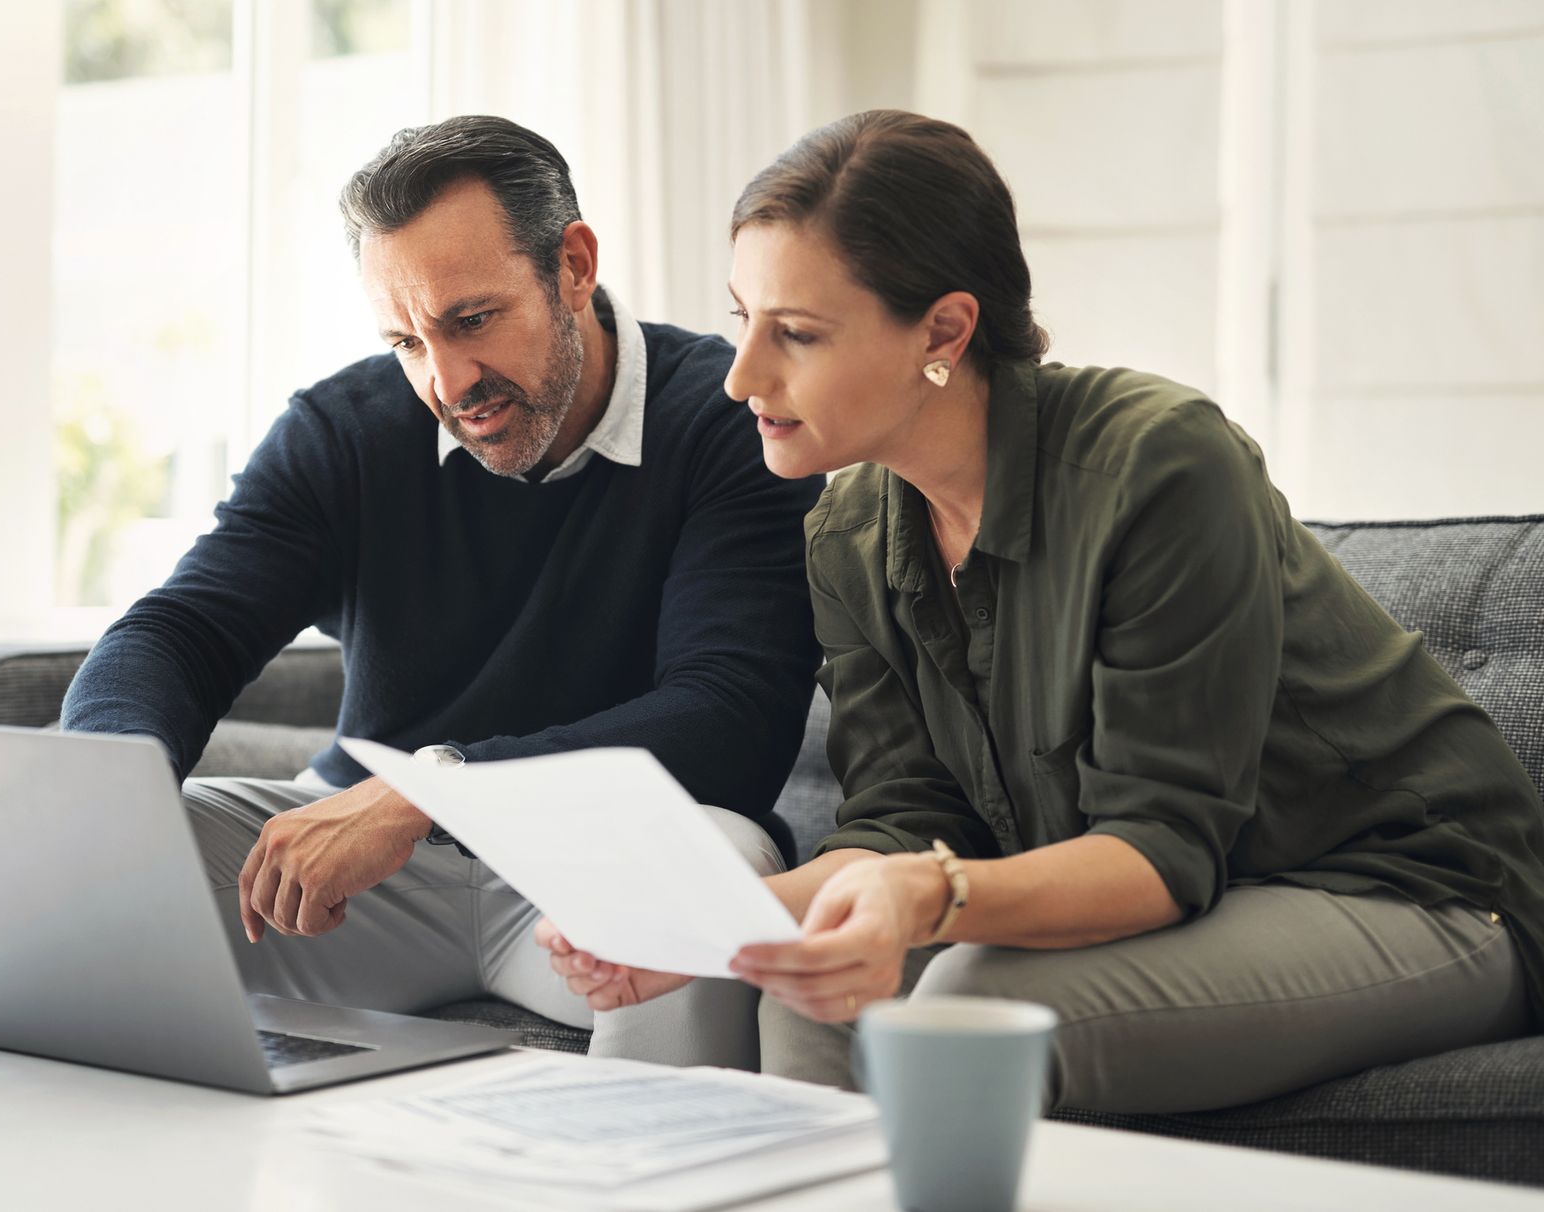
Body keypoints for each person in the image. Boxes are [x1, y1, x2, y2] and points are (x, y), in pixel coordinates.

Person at [540, 109, 1544, 1110]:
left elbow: (1161, 847)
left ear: (944, 329)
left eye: (796, 333)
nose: (741, 376)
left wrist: (932, 897)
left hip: (1416, 891)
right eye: (741, 320)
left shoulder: (1158, 463)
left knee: (971, 1003)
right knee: (813, 982)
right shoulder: (847, 528)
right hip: (1215, 893)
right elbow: (902, 820)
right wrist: (704, 929)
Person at [59, 115, 822, 1069]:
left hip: (587, 878)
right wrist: (101, 795)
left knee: (714, 871)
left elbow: (730, 718)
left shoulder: (727, 424)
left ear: (574, 266)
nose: (448, 381)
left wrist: (428, 790)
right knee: (77, 870)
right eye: (407, 341)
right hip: (367, 889)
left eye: (471, 321)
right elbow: (180, 633)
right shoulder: (344, 431)